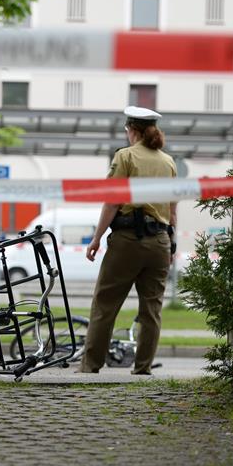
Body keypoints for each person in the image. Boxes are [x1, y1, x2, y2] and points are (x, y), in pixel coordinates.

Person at [79, 106, 177, 376]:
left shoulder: (125, 157)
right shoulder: (168, 162)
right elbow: (173, 207)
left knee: (105, 303)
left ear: (132, 130)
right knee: (152, 309)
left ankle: (90, 366)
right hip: (160, 242)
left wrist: (96, 238)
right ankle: (143, 368)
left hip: (128, 242)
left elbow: (112, 201)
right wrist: (172, 244)